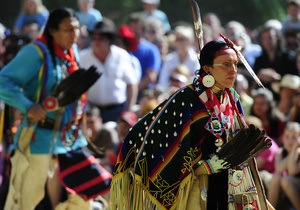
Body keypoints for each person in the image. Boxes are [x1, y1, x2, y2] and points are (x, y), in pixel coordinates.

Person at [110, 40, 274, 209]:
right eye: (226, 64)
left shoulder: (232, 97)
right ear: (207, 69)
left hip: (231, 186)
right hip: (195, 190)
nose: (233, 70)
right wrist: (204, 167)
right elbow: (149, 133)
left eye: (235, 64)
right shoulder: (187, 99)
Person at [0, 8, 111, 210]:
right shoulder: (36, 53)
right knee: (26, 201)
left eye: (76, 29)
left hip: (70, 141)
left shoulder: (72, 52)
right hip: (38, 140)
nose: (74, 34)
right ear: (52, 30)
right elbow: (3, 81)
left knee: (84, 195)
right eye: (67, 29)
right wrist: (28, 106)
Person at [80, 18, 139, 123]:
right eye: (94, 38)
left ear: (109, 40)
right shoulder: (82, 58)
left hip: (117, 110)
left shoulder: (122, 56)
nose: (96, 42)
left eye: (101, 38)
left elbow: (132, 84)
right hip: (92, 111)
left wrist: (129, 110)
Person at [267, 121, 300, 210]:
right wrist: (293, 152)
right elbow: (279, 169)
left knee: (287, 180)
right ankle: (270, 208)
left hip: (295, 183)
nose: (290, 140)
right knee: (276, 177)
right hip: (288, 186)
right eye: (287, 136)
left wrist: (294, 150)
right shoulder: (280, 152)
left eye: (294, 137)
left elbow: (293, 171)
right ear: (282, 137)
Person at [158, 24, 200, 90]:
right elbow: (163, 82)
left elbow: (196, 81)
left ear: (190, 41)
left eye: (182, 39)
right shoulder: (169, 59)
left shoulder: (196, 60)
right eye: (177, 39)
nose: (179, 42)